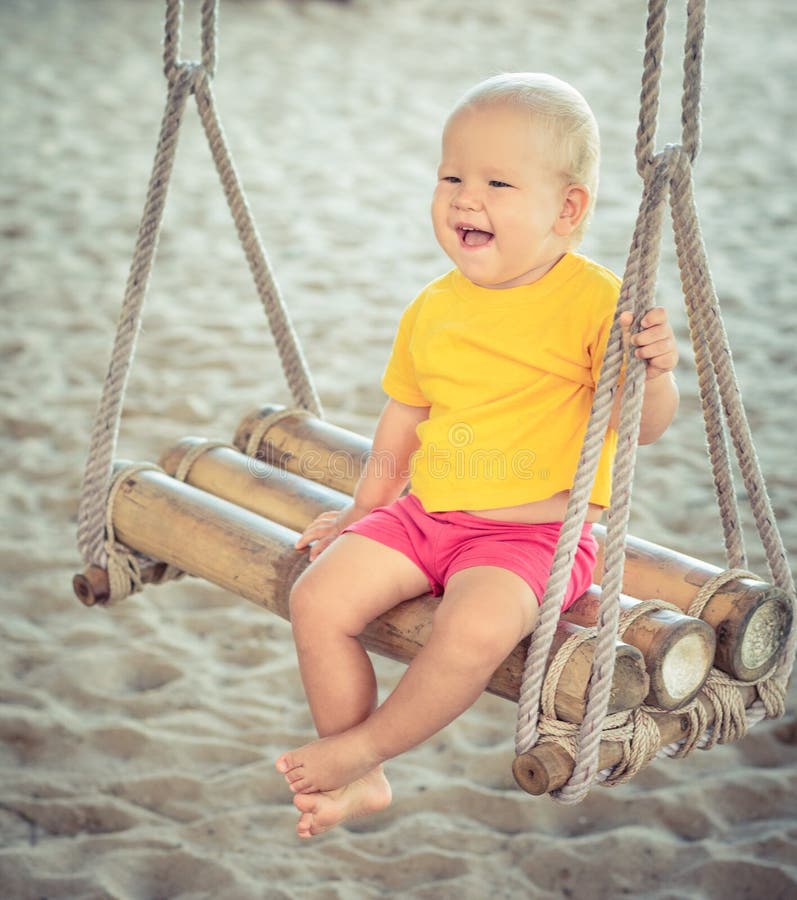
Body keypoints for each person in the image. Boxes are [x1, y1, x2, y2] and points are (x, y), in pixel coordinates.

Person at [275, 72, 679, 838]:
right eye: (451, 178)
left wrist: (656, 375)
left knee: (471, 632)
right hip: (424, 514)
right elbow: (404, 416)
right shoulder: (433, 306)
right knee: (317, 600)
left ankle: (362, 749)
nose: (466, 199)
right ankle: (361, 778)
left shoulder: (598, 304)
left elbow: (644, 426)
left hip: (532, 536)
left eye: (496, 183)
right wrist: (363, 509)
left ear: (566, 210)